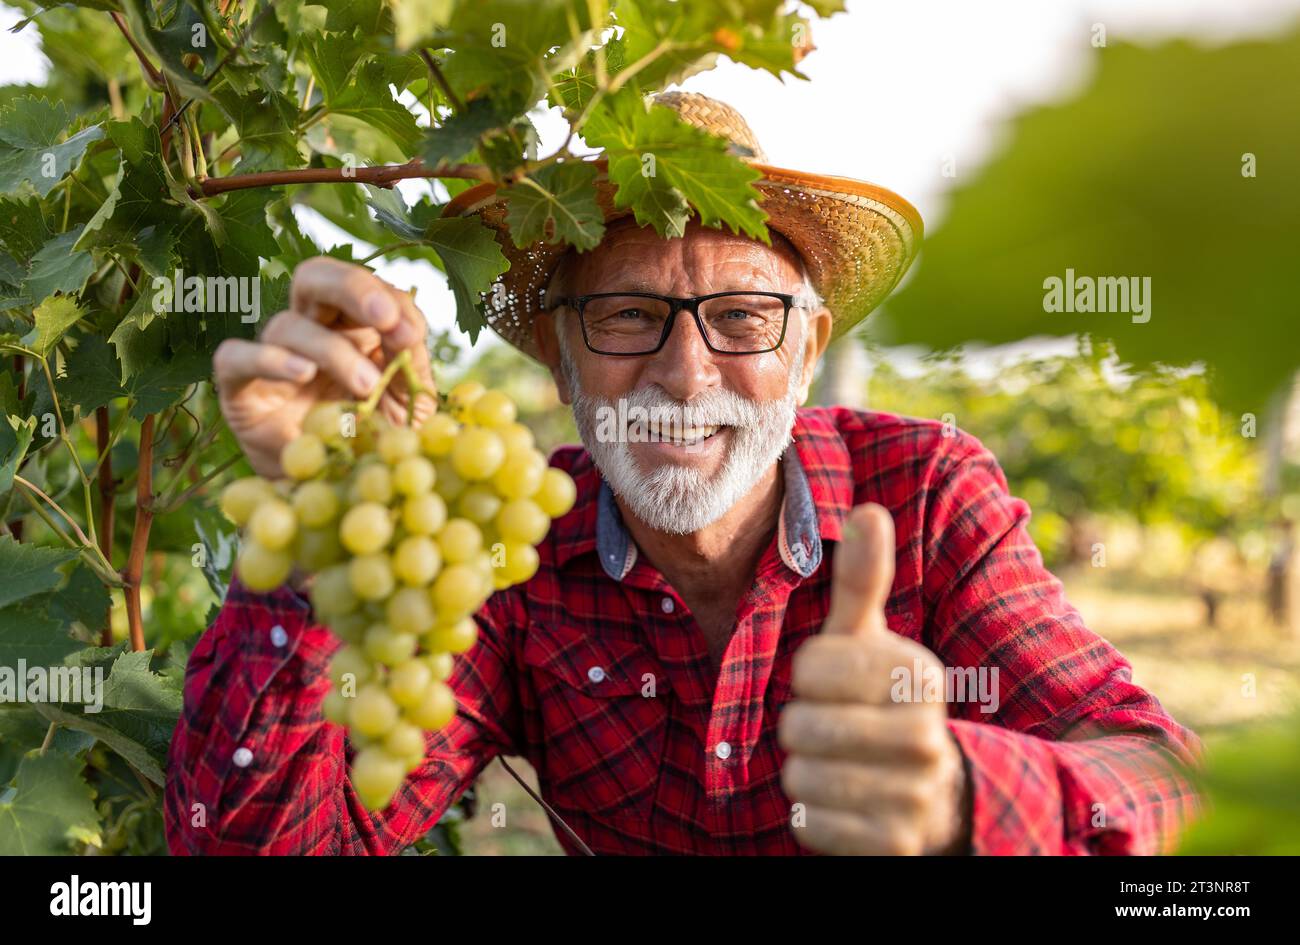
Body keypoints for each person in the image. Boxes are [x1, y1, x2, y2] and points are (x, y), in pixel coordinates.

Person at [166, 93, 1200, 855]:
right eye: (626, 316)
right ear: (562, 363)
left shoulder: (923, 495)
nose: (683, 371)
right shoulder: (509, 558)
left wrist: (964, 796)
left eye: (743, 318)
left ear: (806, 350)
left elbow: (1162, 781)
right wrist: (318, 520)